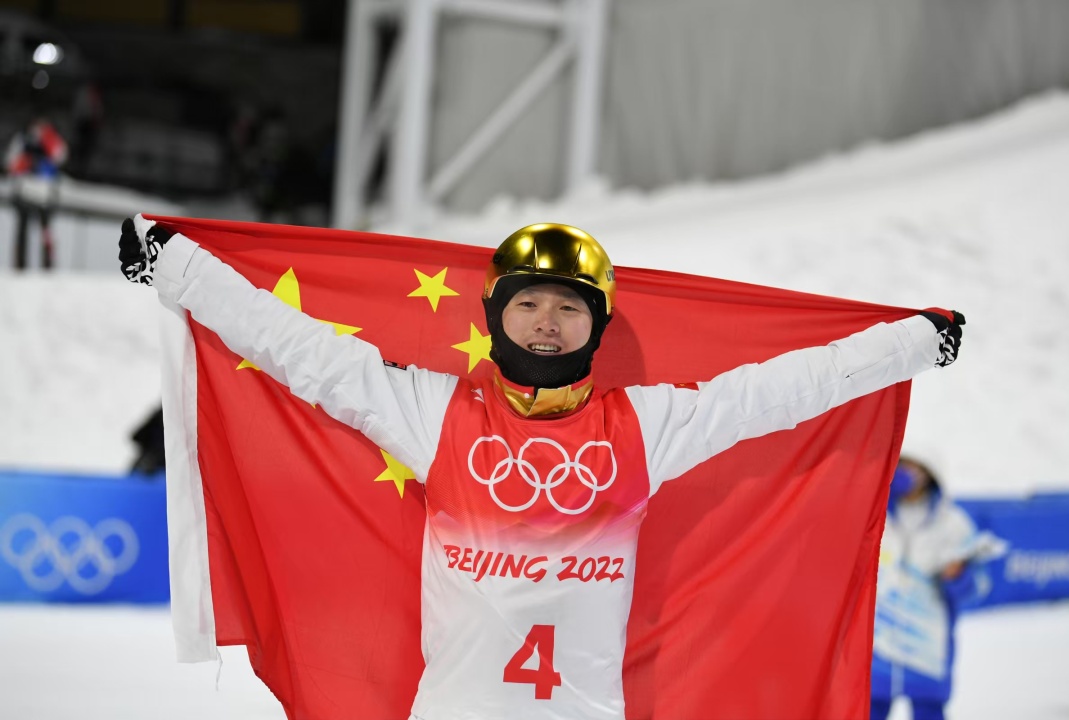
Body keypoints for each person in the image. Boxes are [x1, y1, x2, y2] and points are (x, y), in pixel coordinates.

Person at [118, 217, 965, 720]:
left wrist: (912, 342)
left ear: (595, 326)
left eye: (569, 307)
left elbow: (777, 392)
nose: (548, 323)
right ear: (496, 317)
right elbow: (301, 352)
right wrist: (178, 266)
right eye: (528, 302)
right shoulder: (437, 413)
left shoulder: (644, 424)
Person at [870, 456, 997, 720]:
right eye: (899, 465)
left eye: (912, 467)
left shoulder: (953, 524)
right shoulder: (873, 511)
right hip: (877, 649)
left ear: (928, 472)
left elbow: (979, 587)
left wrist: (958, 577)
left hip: (927, 651)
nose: (904, 473)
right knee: (867, 710)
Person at [5, 116, 68, 269]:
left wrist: (47, 141)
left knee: (46, 232)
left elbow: (60, 156)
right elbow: (11, 163)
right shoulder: (22, 140)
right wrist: (25, 163)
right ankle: (20, 266)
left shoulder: (52, 140)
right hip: (25, 193)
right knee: (23, 232)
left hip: (45, 195)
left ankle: (47, 265)